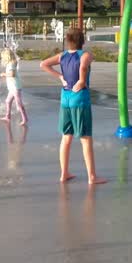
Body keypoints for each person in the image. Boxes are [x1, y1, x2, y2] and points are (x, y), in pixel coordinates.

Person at [40, 28, 106, 185]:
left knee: (66, 137)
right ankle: (92, 177)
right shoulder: (86, 55)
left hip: (65, 99)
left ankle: (64, 173)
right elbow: (83, 66)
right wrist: (82, 80)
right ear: (83, 41)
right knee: (85, 138)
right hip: (80, 99)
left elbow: (43, 64)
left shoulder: (62, 56)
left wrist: (60, 77)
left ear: (67, 41)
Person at [0, 48, 28, 126]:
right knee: (7, 101)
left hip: (15, 87)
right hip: (12, 87)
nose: (2, 59)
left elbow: (12, 74)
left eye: (3, 57)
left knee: (19, 103)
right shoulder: (11, 63)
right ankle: (7, 116)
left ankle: (25, 118)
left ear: (7, 57)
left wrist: (3, 74)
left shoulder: (11, 64)